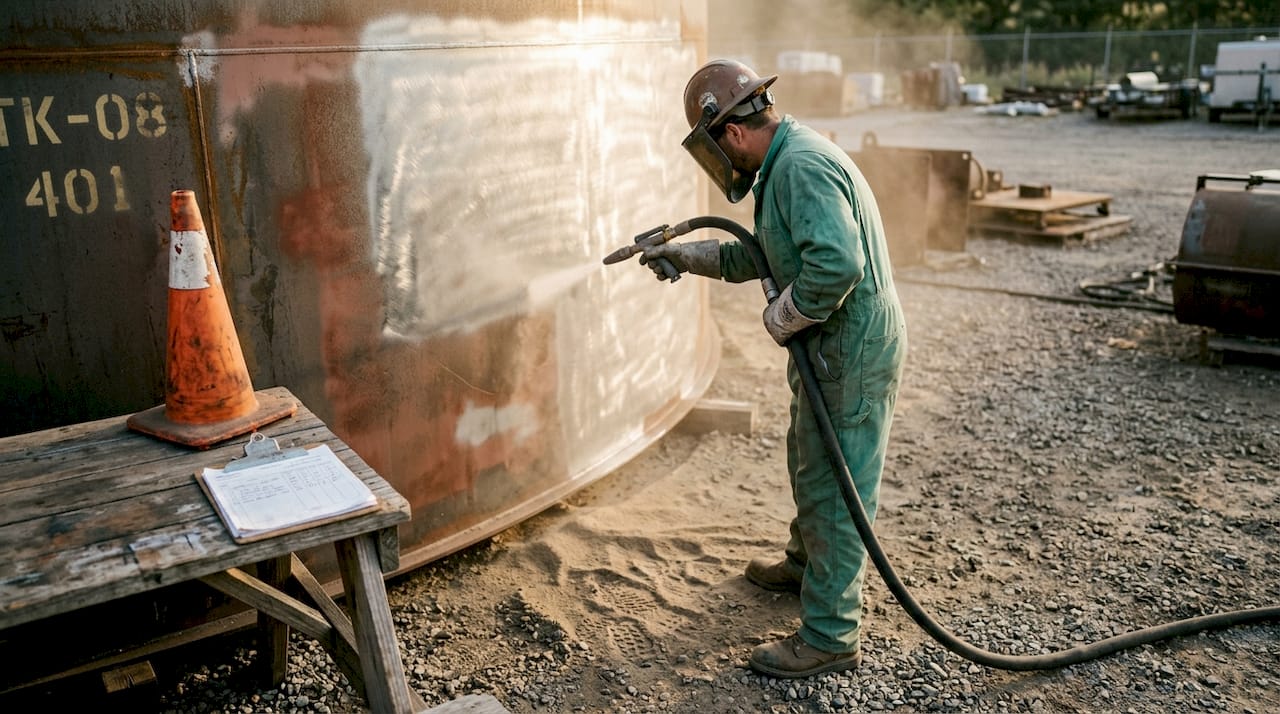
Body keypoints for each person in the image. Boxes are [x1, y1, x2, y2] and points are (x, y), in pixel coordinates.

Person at [638, 59, 907, 679]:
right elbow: (760, 255)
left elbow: (836, 267)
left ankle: (831, 635)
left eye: (714, 149)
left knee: (835, 490)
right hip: (834, 347)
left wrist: (782, 317)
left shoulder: (800, 167)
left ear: (730, 133)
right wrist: (686, 254)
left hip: (851, 350)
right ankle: (805, 564)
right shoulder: (785, 161)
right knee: (809, 458)